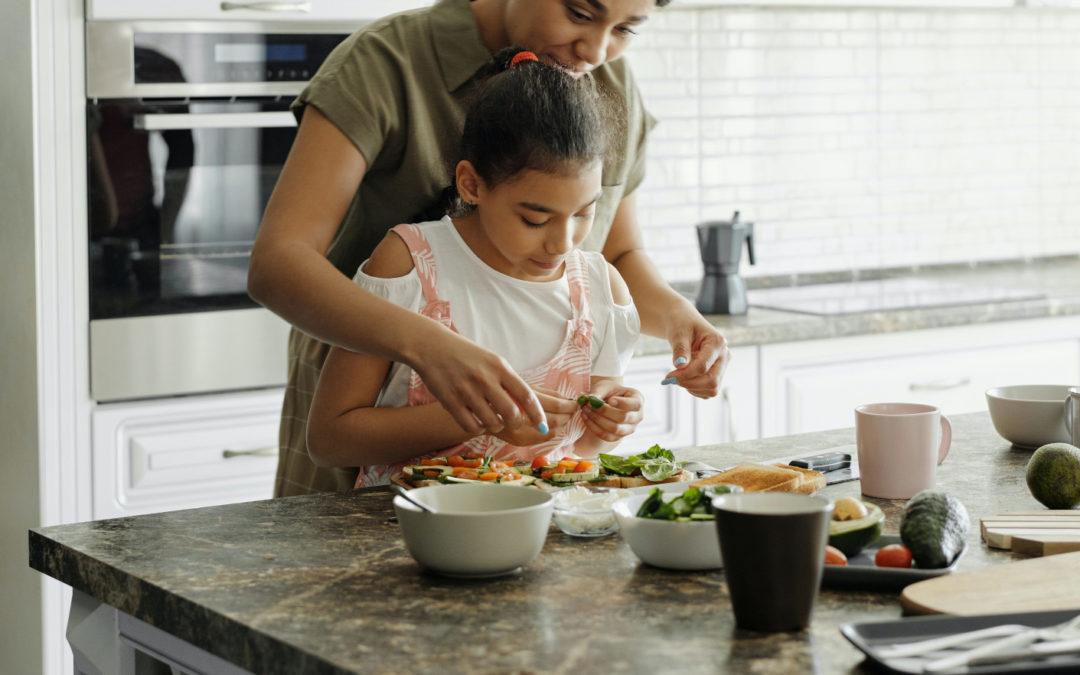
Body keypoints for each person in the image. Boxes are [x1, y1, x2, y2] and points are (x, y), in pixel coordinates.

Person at [250, 0, 730, 496]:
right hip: (366, 389)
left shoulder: (608, 82)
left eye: (626, 28)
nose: (595, 49)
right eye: (580, 13)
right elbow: (278, 263)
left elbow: (620, 255)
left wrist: (678, 319)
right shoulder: (387, 61)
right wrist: (432, 348)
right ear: (470, 184)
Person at [306, 48, 643, 485]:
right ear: (471, 184)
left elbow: (582, 452)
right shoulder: (411, 264)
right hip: (406, 535)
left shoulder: (601, 290)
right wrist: (479, 417)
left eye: (584, 213)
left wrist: (610, 426)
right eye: (535, 219)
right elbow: (330, 439)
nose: (563, 242)